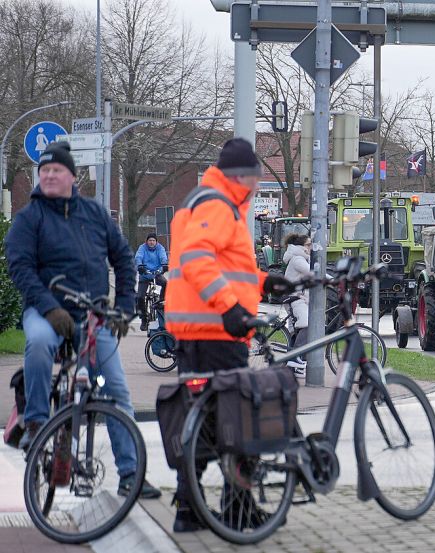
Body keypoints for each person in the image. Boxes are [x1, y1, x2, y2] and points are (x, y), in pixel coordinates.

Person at [4, 141, 161, 499]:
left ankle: (131, 474)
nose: (49, 176)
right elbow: (21, 268)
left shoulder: (94, 213)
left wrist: (124, 307)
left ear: (72, 176)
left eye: (55, 171)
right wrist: (48, 307)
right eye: (43, 172)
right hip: (47, 312)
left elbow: (123, 259)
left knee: (116, 390)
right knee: (41, 343)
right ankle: (36, 423)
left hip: (93, 316)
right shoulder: (30, 218)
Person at [164, 138, 294, 532]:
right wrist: (231, 308)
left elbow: (221, 265)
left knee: (200, 420)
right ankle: (238, 507)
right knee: (239, 420)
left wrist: (263, 281)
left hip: (192, 331)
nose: (257, 186)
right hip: (218, 330)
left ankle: (189, 509)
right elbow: (196, 259)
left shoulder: (201, 201)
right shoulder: (219, 206)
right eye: (255, 177)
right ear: (244, 177)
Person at [282, 233, 313, 378]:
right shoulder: (298, 259)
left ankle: (297, 364)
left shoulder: (301, 258)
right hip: (295, 297)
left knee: (298, 329)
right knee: (307, 325)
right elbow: (313, 273)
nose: (311, 247)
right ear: (301, 247)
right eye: (308, 244)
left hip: (298, 297)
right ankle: (295, 359)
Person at [135, 233, 169, 331]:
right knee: (140, 297)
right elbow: (138, 257)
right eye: (150, 240)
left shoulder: (160, 248)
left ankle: (161, 301)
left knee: (166, 284)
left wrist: (164, 265)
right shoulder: (142, 248)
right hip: (145, 274)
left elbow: (163, 257)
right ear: (147, 241)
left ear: (156, 242)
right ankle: (144, 319)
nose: (151, 242)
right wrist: (140, 266)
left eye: (153, 240)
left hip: (156, 273)